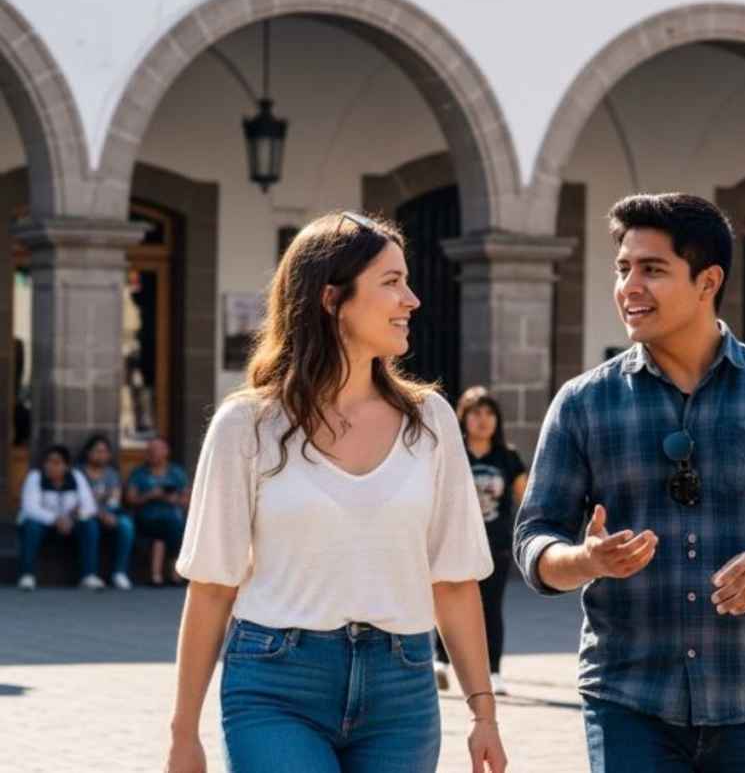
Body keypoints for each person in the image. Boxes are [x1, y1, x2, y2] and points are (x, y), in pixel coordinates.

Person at [515, 193, 745, 773]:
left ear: (708, 281)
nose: (629, 287)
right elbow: (533, 540)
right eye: (623, 269)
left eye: (652, 269)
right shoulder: (583, 404)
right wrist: (585, 560)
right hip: (628, 700)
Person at [165, 211, 506, 773]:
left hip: (402, 690)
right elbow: (212, 587)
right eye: (391, 282)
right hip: (276, 683)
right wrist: (183, 734)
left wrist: (483, 714)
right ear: (331, 299)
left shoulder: (432, 421)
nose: (412, 299)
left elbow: (453, 578)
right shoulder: (247, 425)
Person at [434, 385, 529, 697]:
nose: (483, 420)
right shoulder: (451, 451)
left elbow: (527, 498)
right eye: (476, 412)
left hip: (495, 544)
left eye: (489, 413)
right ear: (464, 417)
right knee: (446, 598)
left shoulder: (509, 457)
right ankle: (441, 663)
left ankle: (494, 671)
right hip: (454, 540)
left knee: (491, 607)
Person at [16, 444, 103, 591]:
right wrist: (56, 519)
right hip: (43, 524)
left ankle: (89, 576)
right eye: (48, 462)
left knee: (90, 525)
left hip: (70, 523)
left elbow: (89, 506)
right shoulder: (35, 477)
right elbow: (30, 508)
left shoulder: (76, 477)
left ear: (66, 466)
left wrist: (72, 518)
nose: (51, 466)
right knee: (31, 525)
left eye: (56, 463)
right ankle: (27, 574)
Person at [126, 437, 190, 586]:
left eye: (157, 450)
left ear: (166, 451)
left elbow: (187, 499)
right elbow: (130, 499)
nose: (152, 454)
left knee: (173, 527)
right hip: (147, 517)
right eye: (150, 451)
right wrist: (149, 496)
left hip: (173, 517)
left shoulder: (176, 473)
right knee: (170, 528)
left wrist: (174, 500)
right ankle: (174, 574)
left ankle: (158, 576)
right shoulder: (139, 473)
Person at [80, 433, 136, 590]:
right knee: (90, 526)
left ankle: (120, 572)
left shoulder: (112, 474)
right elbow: (81, 501)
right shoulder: (79, 473)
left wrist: (103, 505)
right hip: (86, 515)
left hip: (110, 513)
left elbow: (114, 500)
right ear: (88, 453)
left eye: (104, 451)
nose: (101, 455)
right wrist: (100, 510)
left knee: (126, 525)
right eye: (97, 451)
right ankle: (89, 574)